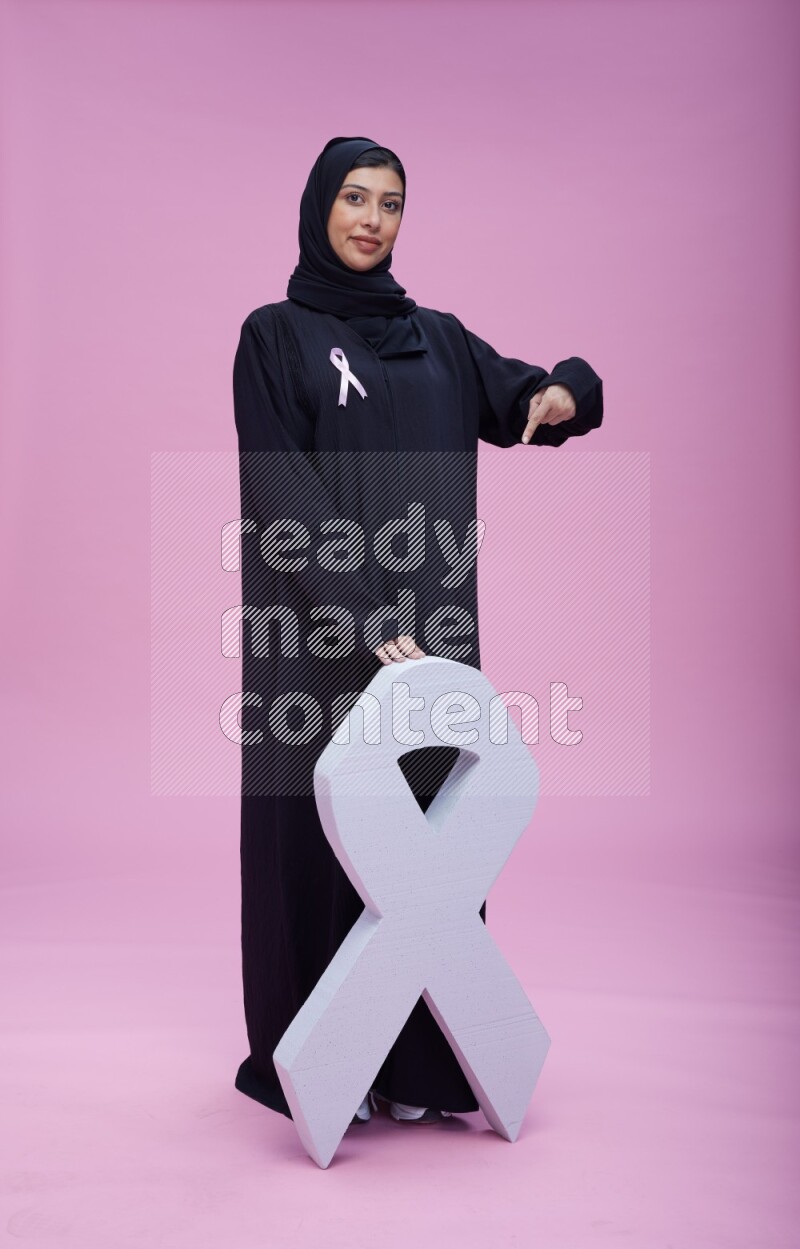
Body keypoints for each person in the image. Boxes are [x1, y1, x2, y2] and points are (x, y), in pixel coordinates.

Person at [233, 135, 603, 1127]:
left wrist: (561, 392)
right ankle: (321, 1071)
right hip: (316, 639)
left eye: (389, 203)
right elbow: (281, 488)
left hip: (431, 643)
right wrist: (359, 611)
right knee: (320, 842)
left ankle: (423, 1072)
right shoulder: (273, 337)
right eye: (353, 198)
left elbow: (525, 391)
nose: (369, 218)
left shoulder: (435, 337)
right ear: (318, 205)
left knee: (432, 844)